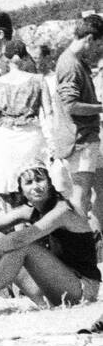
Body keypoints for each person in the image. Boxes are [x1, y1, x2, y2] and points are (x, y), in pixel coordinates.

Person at [0, 165, 100, 318]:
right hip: (51, 288)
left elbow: (21, 238)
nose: (36, 186)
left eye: (40, 180)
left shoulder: (61, 210)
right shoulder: (29, 211)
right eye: (29, 182)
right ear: (21, 190)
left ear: (50, 184)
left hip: (82, 289)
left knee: (23, 247)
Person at [0, 39, 47, 210]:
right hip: (32, 134)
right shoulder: (38, 80)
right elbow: (49, 114)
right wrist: (53, 143)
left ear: (6, 59)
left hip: (5, 137)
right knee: (37, 183)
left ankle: (18, 228)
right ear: (23, 58)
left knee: (9, 188)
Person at [54, 14, 103, 233]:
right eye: (99, 44)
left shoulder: (74, 62)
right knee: (80, 195)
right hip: (80, 140)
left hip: (86, 137)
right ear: (90, 39)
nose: (99, 50)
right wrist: (101, 108)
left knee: (98, 190)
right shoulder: (70, 64)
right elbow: (70, 106)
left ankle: (96, 241)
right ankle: (80, 244)